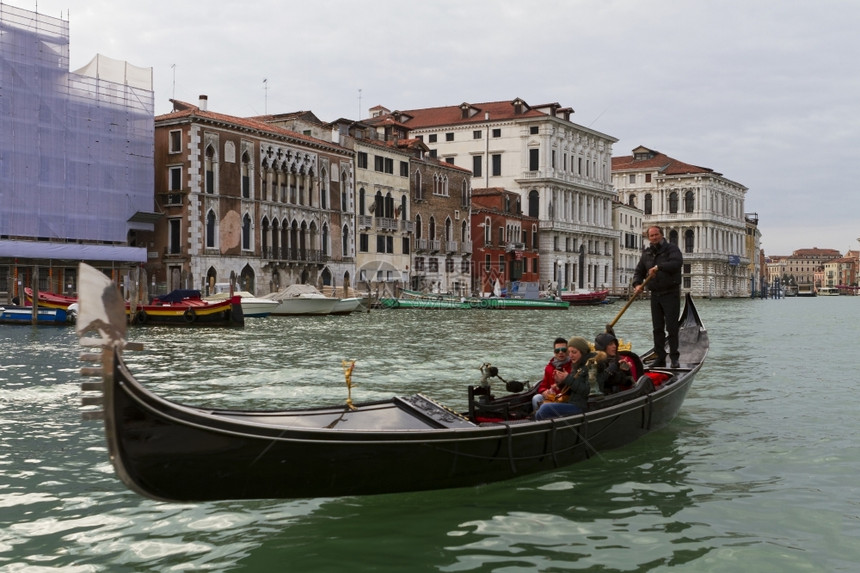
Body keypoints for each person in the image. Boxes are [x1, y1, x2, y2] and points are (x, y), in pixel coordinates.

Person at [633, 225, 683, 368]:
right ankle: (660, 357)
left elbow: (676, 263)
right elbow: (639, 271)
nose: (654, 237)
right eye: (651, 236)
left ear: (661, 235)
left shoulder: (671, 249)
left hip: (670, 293)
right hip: (655, 294)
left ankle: (674, 358)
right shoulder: (647, 253)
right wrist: (637, 284)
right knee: (657, 328)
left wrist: (659, 267)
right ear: (648, 238)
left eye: (656, 235)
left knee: (672, 327)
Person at [535, 337, 605, 420]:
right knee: (539, 412)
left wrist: (567, 378)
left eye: (574, 352)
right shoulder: (577, 365)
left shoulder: (592, 366)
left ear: (582, 352)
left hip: (584, 406)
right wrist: (561, 382)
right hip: (573, 402)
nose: (570, 355)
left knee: (545, 409)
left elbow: (588, 391)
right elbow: (572, 386)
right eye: (569, 352)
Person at [532, 337, 574, 412]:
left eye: (563, 350)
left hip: (566, 399)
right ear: (554, 352)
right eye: (557, 350)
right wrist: (544, 392)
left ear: (568, 351)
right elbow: (542, 387)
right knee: (536, 398)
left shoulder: (573, 366)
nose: (560, 352)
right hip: (551, 397)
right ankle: (540, 418)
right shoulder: (548, 368)